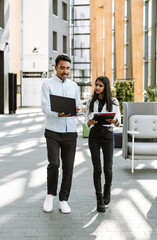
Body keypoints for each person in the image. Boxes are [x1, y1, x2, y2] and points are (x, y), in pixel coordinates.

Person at [41, 54, 81, 214]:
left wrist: (77, 109)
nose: (65, 71)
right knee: (54, 164)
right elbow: (45, 107)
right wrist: (58, 113)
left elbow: (77, 104)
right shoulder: (47, 84)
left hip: (70, 132)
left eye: (68, 68)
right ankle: (50, 195)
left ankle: (64, 200)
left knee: (69, 168)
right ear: (56, 67)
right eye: (62, 68)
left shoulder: (74, 86)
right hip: (52, 131)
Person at [84, 76, 121, 212]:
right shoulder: (90, 101)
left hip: (108, 135)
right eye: (96, 85)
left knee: (108, 168)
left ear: (105, 87)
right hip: (94, 135)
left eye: (100, 85)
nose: (97, 88)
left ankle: (107, 192)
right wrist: (90, 122)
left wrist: (114, 121)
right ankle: (99, 199)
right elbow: (86, 120)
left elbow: (118, 122)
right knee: (97, 168)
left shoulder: (114, 102)